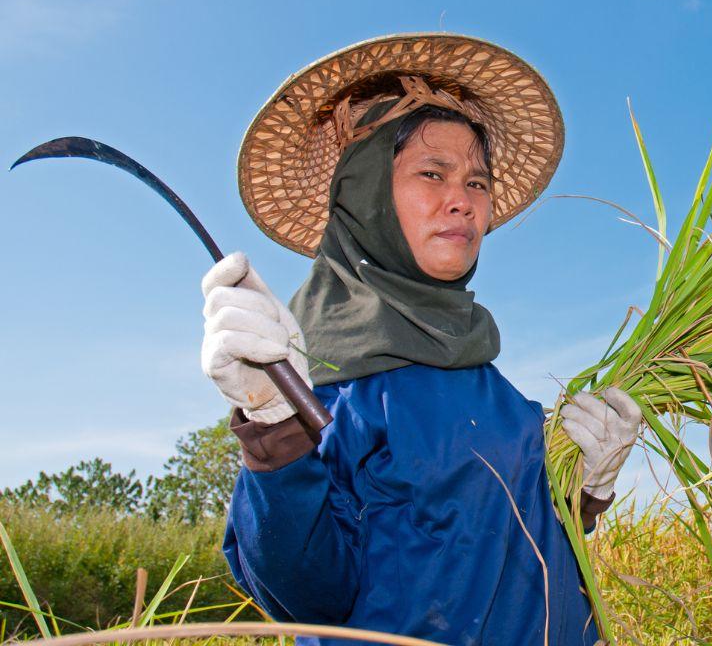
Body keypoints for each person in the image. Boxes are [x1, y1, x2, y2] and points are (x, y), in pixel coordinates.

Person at [198, 34, 640, 646]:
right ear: (366, 193)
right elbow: (305, 597)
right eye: (432, 174)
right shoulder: (318, 388)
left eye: (478, 184)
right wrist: (273, 425)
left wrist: (584, 490)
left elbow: (518, 547)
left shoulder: (496, 387)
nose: (462, 201)